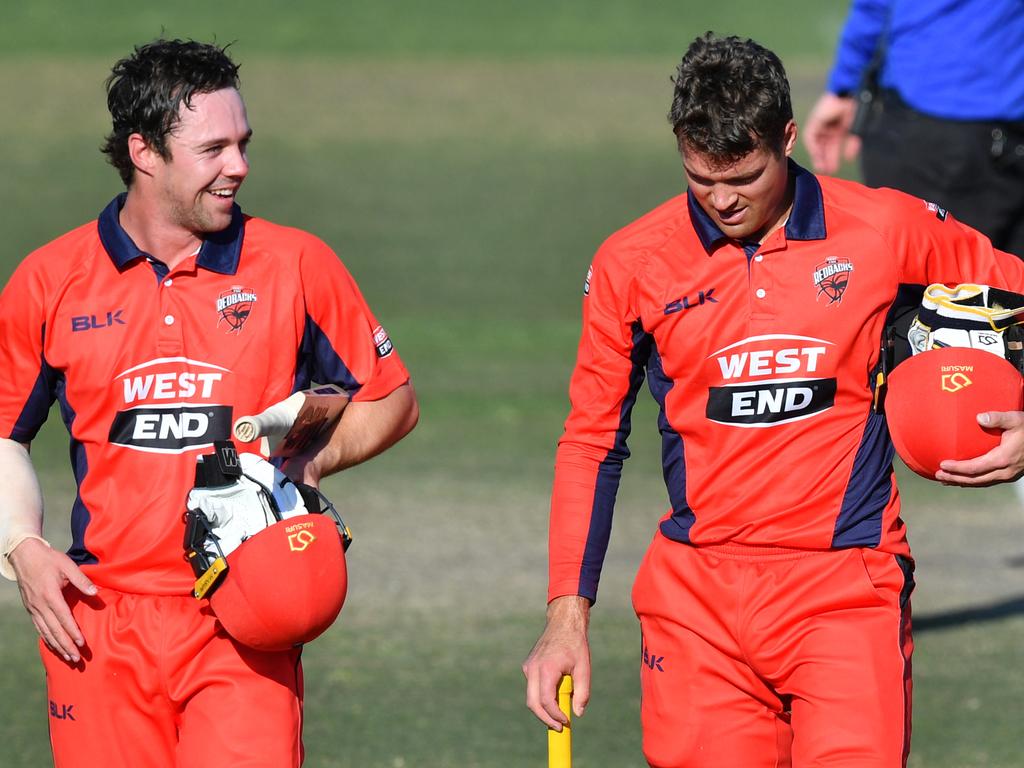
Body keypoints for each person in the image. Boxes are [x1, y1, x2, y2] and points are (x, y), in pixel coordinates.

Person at [522, 32, 1024, 767]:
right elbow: (592, 441)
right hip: (696, 606)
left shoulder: (885, 230)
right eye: (700, 177)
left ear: (788, 139)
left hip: (847, 590)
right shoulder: (631, 263)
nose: (722, 200)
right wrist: (566, 618)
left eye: (746, 176)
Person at [0, 39, 418, 767]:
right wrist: (21, 547)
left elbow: (393, 398)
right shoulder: (49, 280)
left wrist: (310, 463)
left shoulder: (295, 264)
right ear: (144, 151)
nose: (240, 167)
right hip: (99, 626)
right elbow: (5, 431)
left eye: (244, 143)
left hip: (243, 617)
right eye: (214, 148)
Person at [803, 0, 1024, 257]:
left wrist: (845, 85)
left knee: (918, 279)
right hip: (968, 121)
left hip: (925, 117)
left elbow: (874, 7)